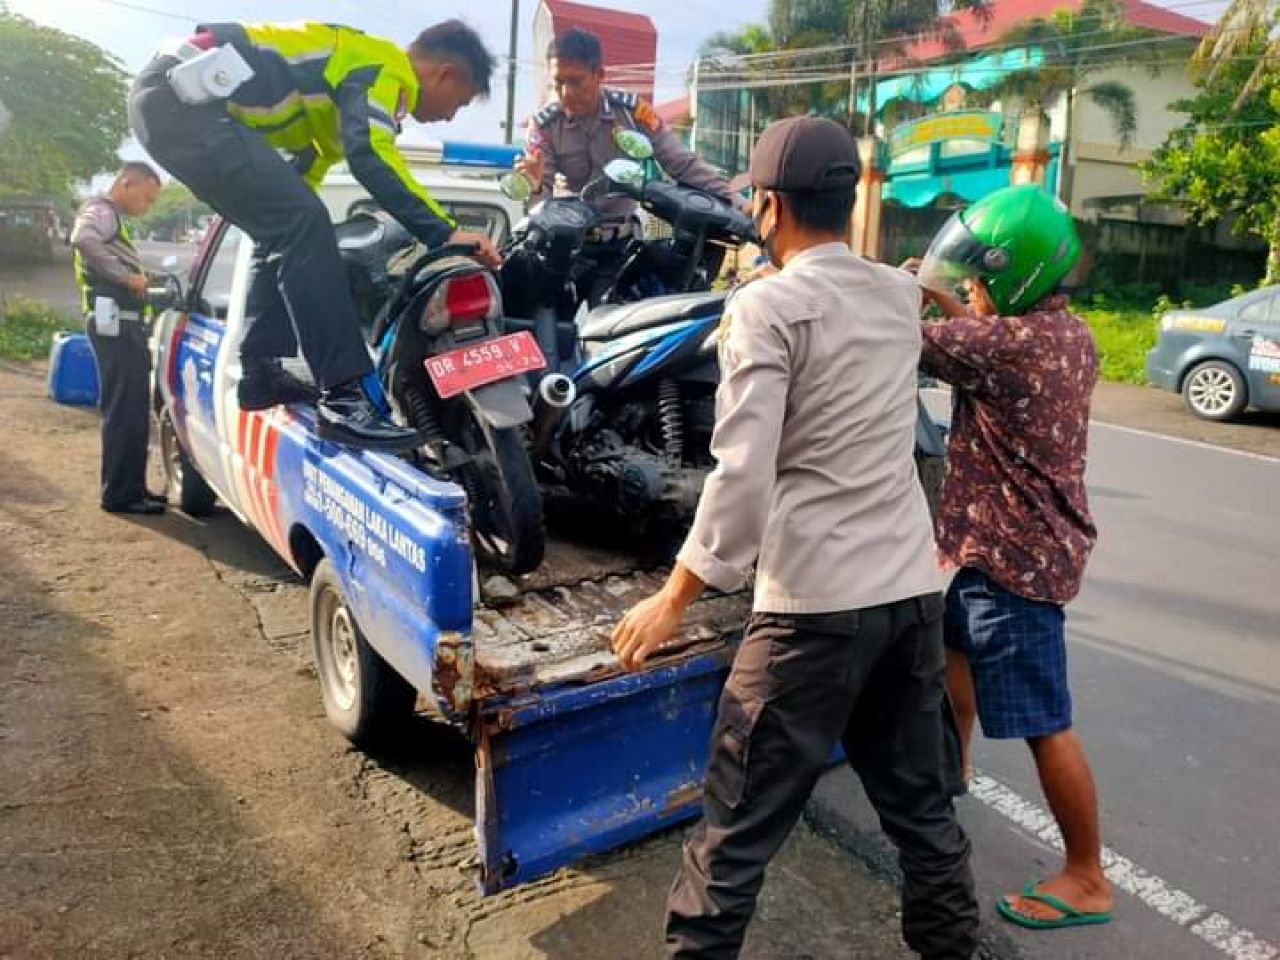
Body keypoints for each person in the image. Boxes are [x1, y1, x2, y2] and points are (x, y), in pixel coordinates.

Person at [611, 117, 979, 960]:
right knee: (925, 814)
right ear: (848, 201)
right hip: (908, 600)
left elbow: (742, 476)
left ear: (769, 208)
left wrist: (675, 597)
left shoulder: (765, 307)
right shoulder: (895, 292)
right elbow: (931, 302)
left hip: (812, 614)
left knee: (734, 834)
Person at [128, 20, 500, 450]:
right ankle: (343, 397)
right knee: (307, 223)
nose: (451, 115)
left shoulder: (328, 96)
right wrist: (445, 233)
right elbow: (370, 156)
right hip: (182, 99)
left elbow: (303, 179)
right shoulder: (383, 63)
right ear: (445, 74)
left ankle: (260, 371)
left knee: (289, 227)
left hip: (174, 101)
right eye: (460, 102)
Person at [913, 184, 1111, 931]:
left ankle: (1087, 875)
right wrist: (953, 298)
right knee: (950, 655)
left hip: (1011, 567)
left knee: (1044, 722)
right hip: (981, 551)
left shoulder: (1004, 347)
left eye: (977, 281)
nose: (967, 293)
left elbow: (920, 338)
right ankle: (954, 767)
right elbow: (978, 345)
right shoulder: (1069, 335)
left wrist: (915, 292)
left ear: (1018, 277)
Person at [514, 28, 736, 305]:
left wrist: (737, 201)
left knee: (613, 330)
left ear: (599, 75)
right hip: (569, 248)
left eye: (576, 81)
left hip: (621, 246)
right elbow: (541, 203)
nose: (566, 92)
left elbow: (680, 162)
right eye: (558, 83)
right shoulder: (544, 125)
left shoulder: (633, 113)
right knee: (543, 320)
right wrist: (534, 186)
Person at [71, 163, 164, 515]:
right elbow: (83, 238)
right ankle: (121, 495)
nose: (147, 206)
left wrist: (142, 276)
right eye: (147, 197)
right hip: (114, 327)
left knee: (133, 408)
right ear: (127, 183)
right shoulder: (100, 210)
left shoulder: (112, 216)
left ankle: (133, 488)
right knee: (123, 410)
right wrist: (127, 278)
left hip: (123, 327)